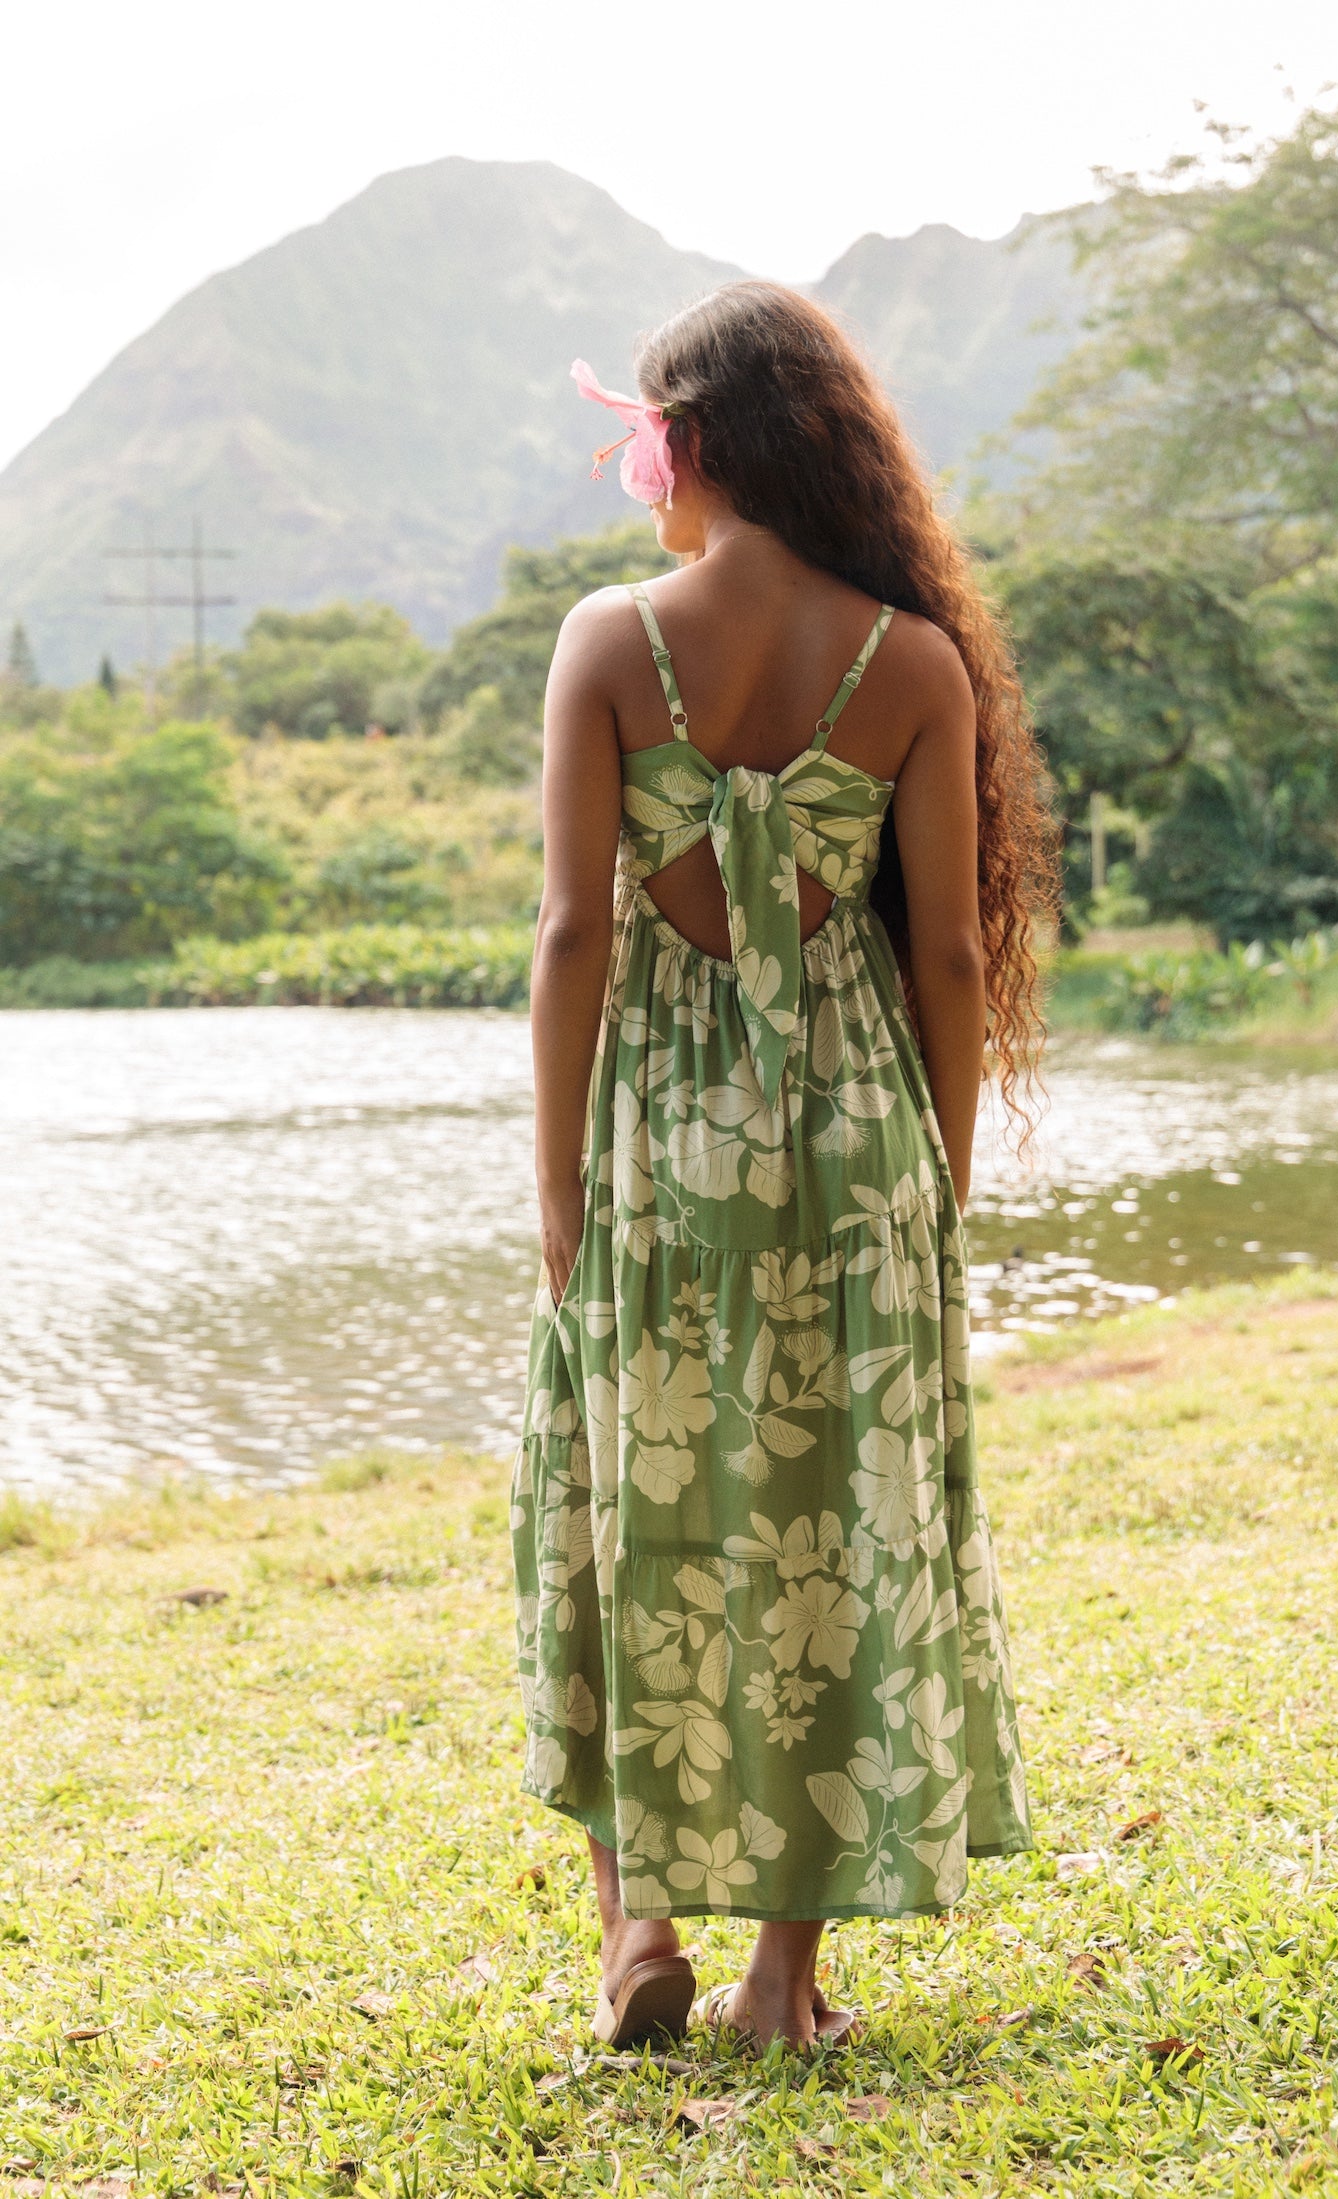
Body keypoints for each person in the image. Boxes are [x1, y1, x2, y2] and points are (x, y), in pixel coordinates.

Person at [513, 282, 1053, 2051]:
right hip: (852, 1145)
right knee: (837, 1532)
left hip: (661, 1141)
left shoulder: (608, 642)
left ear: (690, 443)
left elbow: (572, 935)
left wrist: (558, 1193)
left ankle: (638, 1930)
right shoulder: (908, 661)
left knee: (634, 1511)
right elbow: (952, 963)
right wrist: (941, 1185)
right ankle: (780, 1981)